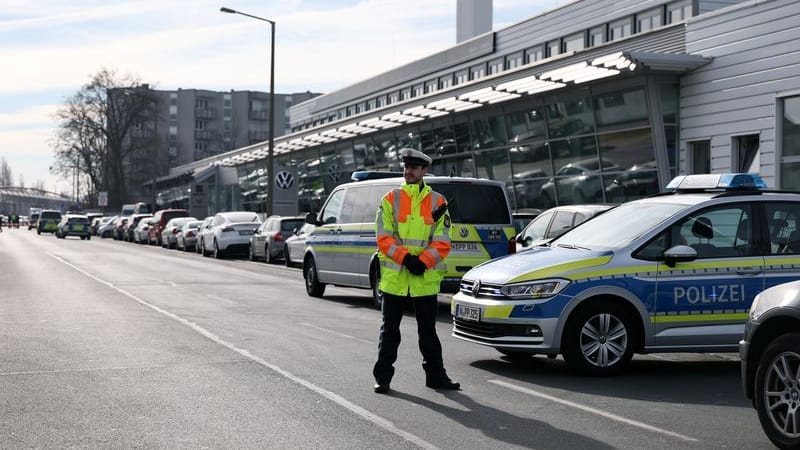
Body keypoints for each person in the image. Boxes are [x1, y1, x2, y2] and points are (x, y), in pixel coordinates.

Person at [372, 147, 460, 394]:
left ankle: (436, 376)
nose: (408, 171)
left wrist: (422, 262)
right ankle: (383, 378)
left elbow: (443, 240)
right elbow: (383, 237)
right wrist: (407, 259)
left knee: (428, 333)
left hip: (424, 278)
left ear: (424, 170)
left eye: (413, 167)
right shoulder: (390, 199)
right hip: (396, 279)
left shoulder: (438, 202)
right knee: (390, 332)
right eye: (406, 167)